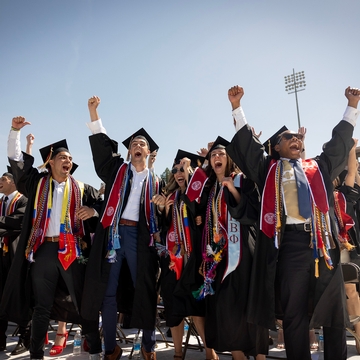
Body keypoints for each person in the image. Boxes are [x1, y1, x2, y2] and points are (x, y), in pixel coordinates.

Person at [226, 85, 360, 360]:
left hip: (323, 241)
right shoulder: (268, 169)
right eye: (289, 137)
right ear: (276, 147)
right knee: (294, 312)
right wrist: (237, 107)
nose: (296, 139)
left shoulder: (317, 167)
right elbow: (249, 150)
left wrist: (352, 106)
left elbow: (337, 147)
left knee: (334, 309)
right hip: (289, 244)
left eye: (298, 137)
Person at [1, 117, 103, 360]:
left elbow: (102, 202)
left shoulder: (81, 187)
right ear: (50, 163)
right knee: (42, 306)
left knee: (83, 301)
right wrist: (15, 132)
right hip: (44, 250)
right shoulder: (37, 185)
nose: (67, 161)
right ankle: (36, 353)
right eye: (62, 158)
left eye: (69, 158)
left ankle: (95, 351)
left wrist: (93, 211)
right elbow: (17, 164)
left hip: (72, 250)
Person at [83, 95, 163, 360]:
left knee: (146, 288)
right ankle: (109, 349)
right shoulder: (118, 170)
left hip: (140, 238)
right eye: (134, 144)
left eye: (142, 144)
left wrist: (162, 206)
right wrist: (95, 115)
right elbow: (103, 150)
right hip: (114, 236)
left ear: (149, 152)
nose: (137, 145)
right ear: (129, 151)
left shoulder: (157, 181)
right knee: (108, 291)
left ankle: (149, 347)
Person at [189, 137, 268, 360]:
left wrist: (233, 191)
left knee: (250, 305)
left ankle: (259, 355)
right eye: (213, 155)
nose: (216, 157)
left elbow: (251, 213)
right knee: (225, 307)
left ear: (230, 159)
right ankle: (238, 355)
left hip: (244, 251)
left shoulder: (243, 180)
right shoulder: (211, 188)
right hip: (220, 256)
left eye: (221, 154)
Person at [152, 149, 218, 359]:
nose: (178, 172)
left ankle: (210, 352)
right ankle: (178, 354)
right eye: (175, 169)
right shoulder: (169, 196)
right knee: (173, 308)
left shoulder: (199, 192)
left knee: (198, 310)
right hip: (173, 261)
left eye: (183, 168)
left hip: (194, 259)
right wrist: (164, 210)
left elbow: (204, 216)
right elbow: (163, 229)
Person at [0, 167, 28, 354]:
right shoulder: (1, 202)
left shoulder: (24, 200)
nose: (0, 182)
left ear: (12, 182)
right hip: (1, 255)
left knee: (19, 296)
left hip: (16, 255)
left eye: (3, 179)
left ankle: (25, 338)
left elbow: (17, 222)